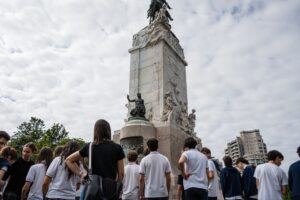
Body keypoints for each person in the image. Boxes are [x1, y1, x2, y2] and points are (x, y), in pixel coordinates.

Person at [65, 119, 125, 197]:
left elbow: (68, 160)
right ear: (108, 131)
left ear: (96, 131)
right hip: (110, 188)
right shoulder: (117, 148)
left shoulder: (89, 146)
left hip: (93, 188)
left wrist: (81, 173)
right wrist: (116, 187)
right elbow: (121, 173)